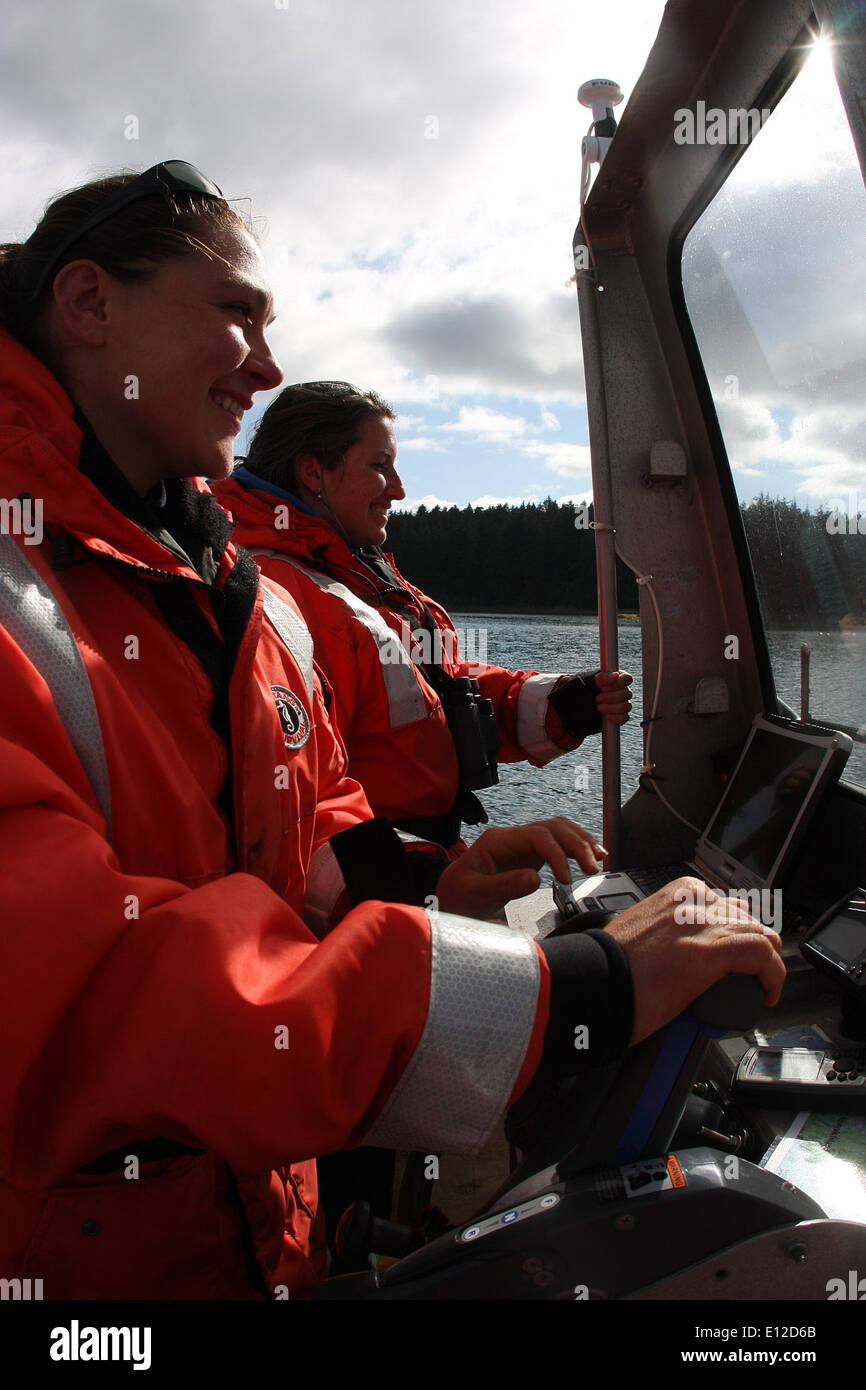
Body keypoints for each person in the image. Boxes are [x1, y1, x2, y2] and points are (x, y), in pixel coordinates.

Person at [0, 161, 785, 1301]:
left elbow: (306, 843)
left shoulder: (227, 596)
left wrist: (443, 873)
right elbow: (100, 987)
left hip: (254, 1223)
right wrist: (571, 992)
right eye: (235, 314)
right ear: (88, 304)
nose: (266, 368)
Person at [215, 381, 633, 852]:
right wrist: (425, 876)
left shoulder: (359, 576)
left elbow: (444, 690)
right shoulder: (274, 592)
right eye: (380, 467)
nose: (398, 489)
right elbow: (296, 807)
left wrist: (565, 704)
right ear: (313, 473)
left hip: (421, 868)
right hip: (376, 890)